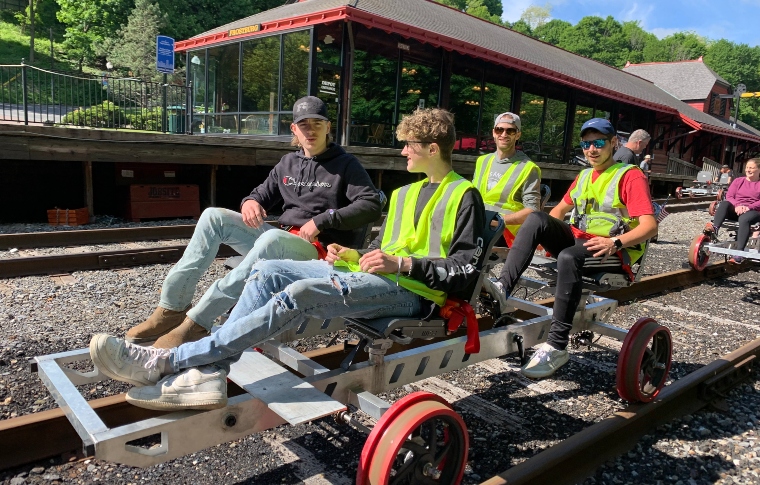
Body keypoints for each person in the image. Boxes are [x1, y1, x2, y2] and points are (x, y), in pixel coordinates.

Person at [88, 108, 486, 411]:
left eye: (409, 146)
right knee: (265, 270)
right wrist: (352, 254)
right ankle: (211, 372)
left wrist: (401, 265)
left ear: (432, 149)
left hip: (414, 294)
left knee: (297, 292)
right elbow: (387, 251)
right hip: (379, 279)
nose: (402, 152)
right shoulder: (402, 194)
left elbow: (465, 270)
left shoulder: (464, 195)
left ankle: (167, 360)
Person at [124, 96, 383, 348]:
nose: (311, 131)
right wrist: (250, 202)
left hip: (317, 251)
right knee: (213, 216)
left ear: (328, 127)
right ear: (294, 129)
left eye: (317, 123)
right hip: (283, 241)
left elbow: (371, 204)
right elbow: (261, 194)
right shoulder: (288, 163)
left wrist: (324, 219)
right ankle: (172, 307)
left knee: (272, 238)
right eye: (304, 125)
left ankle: (199, 321)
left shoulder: (346, 164)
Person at [486, 118, 657, 379]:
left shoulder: (630, 176)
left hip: (612, 249)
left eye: (598, 143)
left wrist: (615, 242)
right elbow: (557, 212)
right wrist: (543, 237)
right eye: (586, 144)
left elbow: (650, 226)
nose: (592, 149)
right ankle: (502, 288)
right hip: (580, 242)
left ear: (614, 143)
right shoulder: (584, 175)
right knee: (536, 217)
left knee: (568, 256)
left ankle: (557, 346)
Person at [472, 112, 541, 247]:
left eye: (510, 131)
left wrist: (498, 221)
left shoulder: (528, 168)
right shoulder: (482, 161)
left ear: (518, 135)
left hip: (504, 230)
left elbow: (532, 211)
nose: (504, 134)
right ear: (493, 133)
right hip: (477, 222)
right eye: (500, 130)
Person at [705, 158, 760, 264]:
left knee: (744, 219)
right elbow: (729, 196)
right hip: (736, 209)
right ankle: (715, 228)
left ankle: (739, 253)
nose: (748, 170)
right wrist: (738, 205)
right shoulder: (738, 181)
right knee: (725, 203)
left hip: (754, 212)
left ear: (759, 170)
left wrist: (749, 207)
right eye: (747, 167)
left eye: (752, 168)